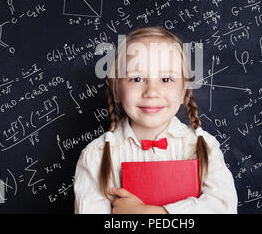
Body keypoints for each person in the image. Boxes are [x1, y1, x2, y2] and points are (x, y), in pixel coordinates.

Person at [74, 26, 238, 214]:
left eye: (166, 79)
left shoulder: (204, 147)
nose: (151, 91)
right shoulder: (96, 156)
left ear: (183, 89)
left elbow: (223, 207)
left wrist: (152, 214)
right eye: (136, 79)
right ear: (117, 90)